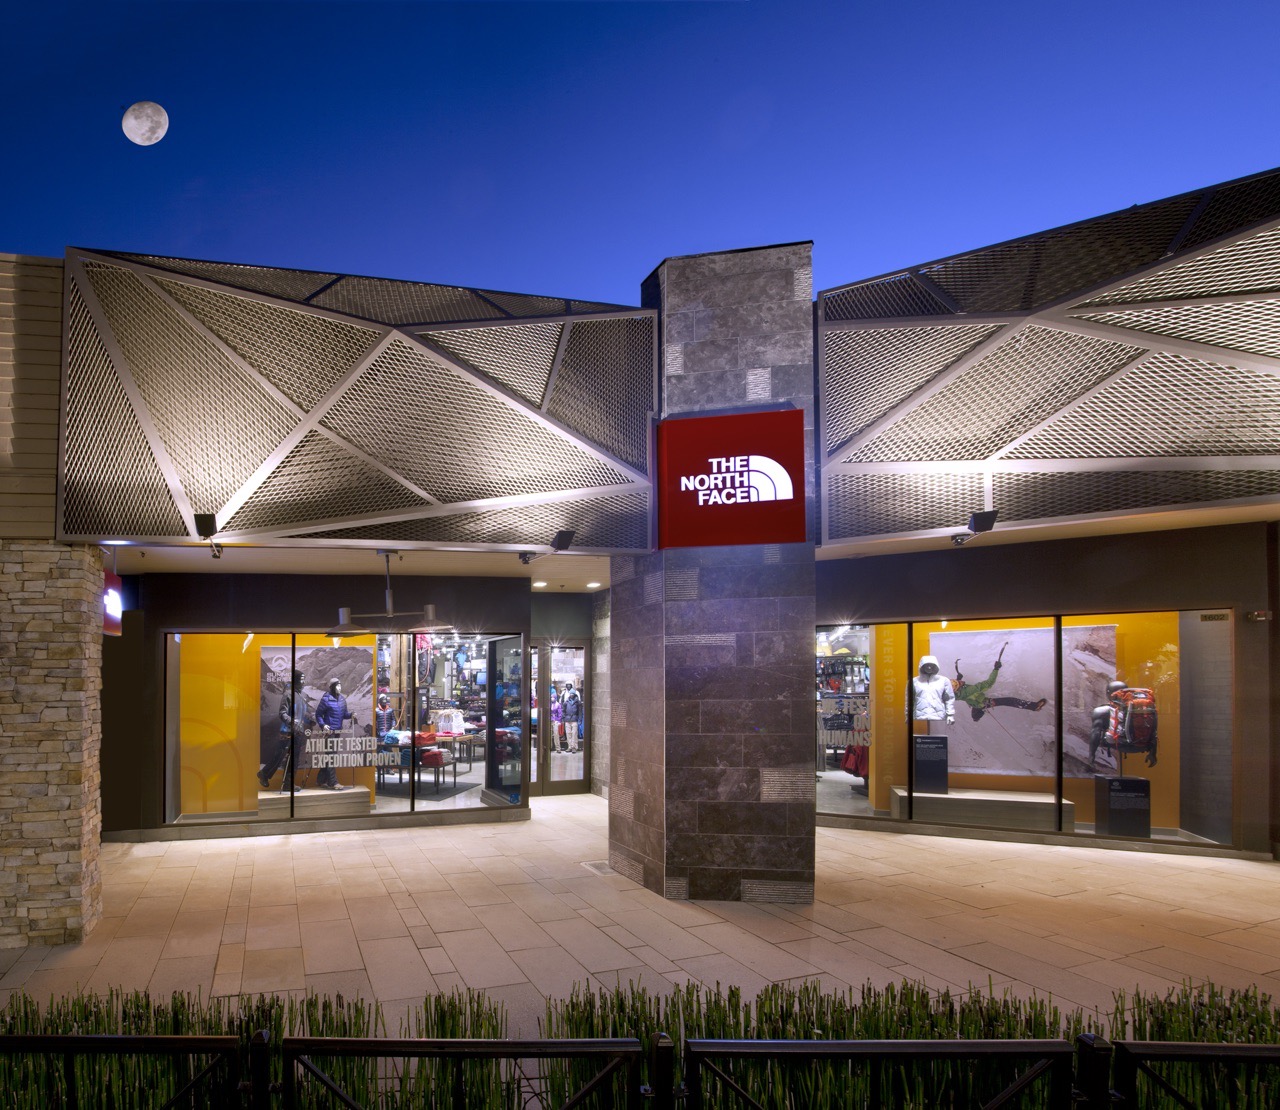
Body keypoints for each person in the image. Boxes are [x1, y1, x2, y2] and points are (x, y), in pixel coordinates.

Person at [953, 642, 1047, 722]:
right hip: (983, 702)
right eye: (959, 683)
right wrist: (996, 669)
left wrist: (958, 679)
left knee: (975, 715)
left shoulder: (956, 693)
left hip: (973, 702)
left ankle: (976, 715)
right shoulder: (970, 690)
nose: (961, 682)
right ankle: (1034, 706)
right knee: (1009, 701)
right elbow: (989, 683)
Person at [259, 670, 315, 790]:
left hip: (298, 732)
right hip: (288, 732)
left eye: (304, 679)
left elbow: (302, 714)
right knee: (280, 756)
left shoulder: (300, 696)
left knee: (294, 760)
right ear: (296, 680)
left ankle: (288, 785)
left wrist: (310, 719)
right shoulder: (288, 695)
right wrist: (291, 721)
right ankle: (264, 774)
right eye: (301, 679)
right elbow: (282, 713)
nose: (303, 682)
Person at [313, 679, 355, 790]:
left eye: (340, 686)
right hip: (329, 732)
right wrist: (323, 725)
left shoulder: (342, 699)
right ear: (332, 687)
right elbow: (318, 714)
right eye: (337, 686)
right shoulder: (326, 699)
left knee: (330, 756)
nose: (339, 688)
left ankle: (321, 779)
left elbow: (344, 714)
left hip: (338, 732)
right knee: (331, 756)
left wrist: (351, 715)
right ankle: (333, 782)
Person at [909, 655, 954, 727]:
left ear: (935, 666)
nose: (929, 667)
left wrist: (950, 715)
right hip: (919, 717)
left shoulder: (944, 681)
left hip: (939, 717)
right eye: (927, 665)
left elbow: (949, 699)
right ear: (922, 666)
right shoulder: (914, 681)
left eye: (931, 665)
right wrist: (908, 715)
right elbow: (909, 700)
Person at [560, 681, 582, 752]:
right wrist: (563, 718)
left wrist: (580, 720)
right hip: (567, 719)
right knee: (568, 733)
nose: (571, 695)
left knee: (574, 734)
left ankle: (574, 747)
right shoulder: (566, 701)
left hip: (574, 719)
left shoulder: (578, 702)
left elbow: (580, 711)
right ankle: (570, 746)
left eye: (573, 694)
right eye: (567, 685)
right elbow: (563, 710)